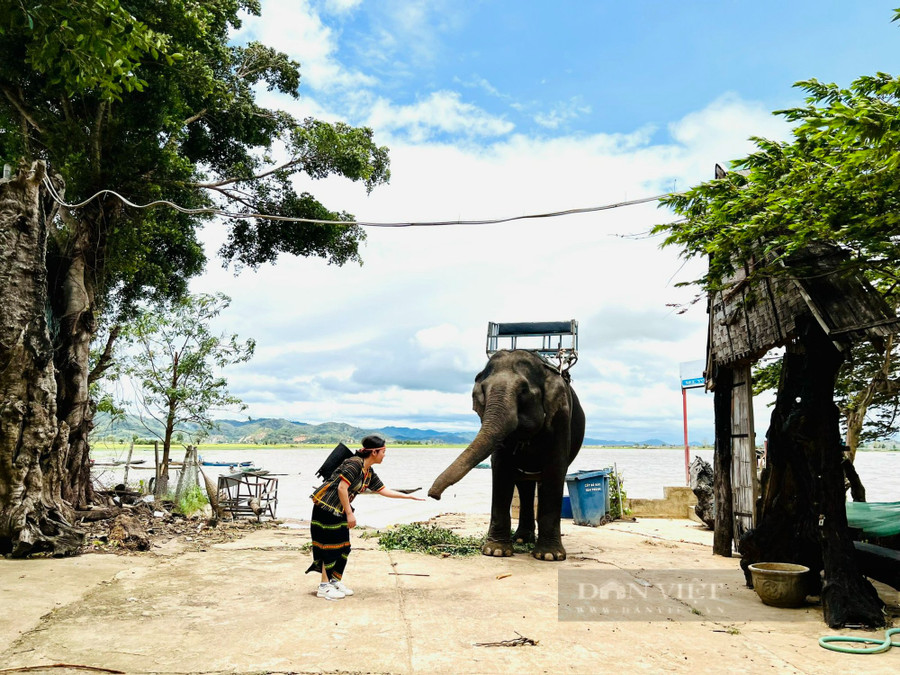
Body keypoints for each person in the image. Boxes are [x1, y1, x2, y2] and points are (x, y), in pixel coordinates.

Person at [306, 434, 425, 600]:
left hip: (339, 509)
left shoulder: (368, 472)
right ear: (374, 452)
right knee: (330, 547)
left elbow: (383, 490)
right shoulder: (354, 464)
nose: (385, 455)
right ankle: (324, 586)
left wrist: (409, 497)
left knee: (344, 547)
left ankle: (334, 581)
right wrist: (349, 513)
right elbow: (342, 488)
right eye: (383, 451)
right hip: (326, 507)